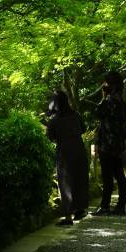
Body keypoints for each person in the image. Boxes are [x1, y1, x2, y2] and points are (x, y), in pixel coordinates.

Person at [46, 89, 89, 225]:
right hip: (79, 148)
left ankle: (68, 216)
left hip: (64, 151)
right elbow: (84, 129)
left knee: (65, 183)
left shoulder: (54, 121)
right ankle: (80, 210)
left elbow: (50, 137)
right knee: (80, 178)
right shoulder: (75, 116)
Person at [92, 70, 126, 216]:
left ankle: (105, 206)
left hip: (107, 144)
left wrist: (104, 96)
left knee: (108, 176)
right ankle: (120, 206)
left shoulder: (109, 102)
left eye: (106, 83)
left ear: (111, 85)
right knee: (119, 175)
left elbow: (98, 113)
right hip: (118, 144)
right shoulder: (122, 103)